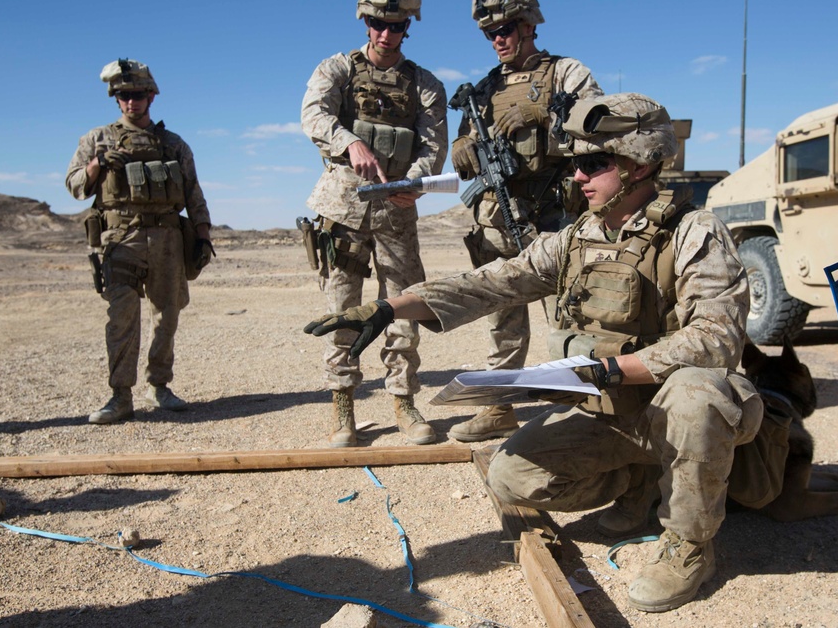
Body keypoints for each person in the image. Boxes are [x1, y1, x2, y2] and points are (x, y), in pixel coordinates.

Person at [305, 93, 764, 612]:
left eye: (595, 163)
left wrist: (611, 371)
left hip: (670, 410)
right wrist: (391, 308)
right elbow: (494, 281)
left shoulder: (694, 232)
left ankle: (690, 543)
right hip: (615, 417)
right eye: (574, 165)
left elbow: (715, 338)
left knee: (697, 392)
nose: (578, 177)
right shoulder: (576, 239)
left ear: (641, 164)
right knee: (512, 477)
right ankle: (644, 477)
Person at [447, 0, 603, 443]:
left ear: (530, 25)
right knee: (502, 317)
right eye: (490, 32)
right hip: (498, 220)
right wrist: (462, 149)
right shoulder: (484, 90)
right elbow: (463, 139)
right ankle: (498, 407)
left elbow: (599, 129)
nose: (498, 39)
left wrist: (543, 117)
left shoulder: (567, 74)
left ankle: (577, 410)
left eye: (506, 28)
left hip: (555, 218)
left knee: (568, 318)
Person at [300, 0, 448, 447]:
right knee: (342, 311)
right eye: (378, 23)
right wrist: (349, 143)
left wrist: (415, 183)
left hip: (396, 215)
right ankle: (343, 408)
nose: (387, 34)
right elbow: (314, 115)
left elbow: (432, 147)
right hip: (341, 211)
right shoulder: (336, 70)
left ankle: (404, 403)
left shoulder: (425, 85)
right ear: (365, 21)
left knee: (402, 310)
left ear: (409, 27)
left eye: (398, 25)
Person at [65, 59, 213, 424]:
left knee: (167, 315)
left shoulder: (173, 144)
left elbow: (194, 193)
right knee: (122, 317)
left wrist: (203, 235)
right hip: (120, 239)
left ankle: (159, 385)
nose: (131, 102)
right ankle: (120, 396)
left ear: (151, 97)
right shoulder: (96, 140)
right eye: (124, 96)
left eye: (137, 95)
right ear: (116, 99)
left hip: (167, 238)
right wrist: (96, 165)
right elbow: (74, 186)